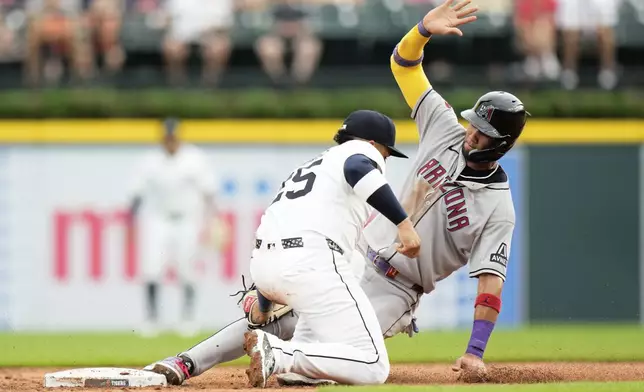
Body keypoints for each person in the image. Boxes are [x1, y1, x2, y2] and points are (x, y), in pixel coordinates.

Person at [144, 0, 527, 386]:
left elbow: (490, 283)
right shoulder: (446, 128)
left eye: (482, 133)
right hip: (355, 257)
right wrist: (422, 31)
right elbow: (403, 65)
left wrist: (475, 352)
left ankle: (279, 360)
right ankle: (186, 362)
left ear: (503, 145)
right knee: (285, 325)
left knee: (337, 353)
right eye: (473, 124)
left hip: (398, 289)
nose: (472, 134)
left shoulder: (498, 209)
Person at [128, 118, 218, 338]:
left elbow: (209, 192)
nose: (170, 141)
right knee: (151, 268)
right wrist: (130, 222)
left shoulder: (194, 158)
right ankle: (152, 320)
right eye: (167, 137)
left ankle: (188, 319)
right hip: (158, 219)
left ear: (179, 137)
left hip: (188, 219)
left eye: (173, 137)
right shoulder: (151, 160)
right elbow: (137, 194)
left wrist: (213, 220)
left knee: (187, 270)